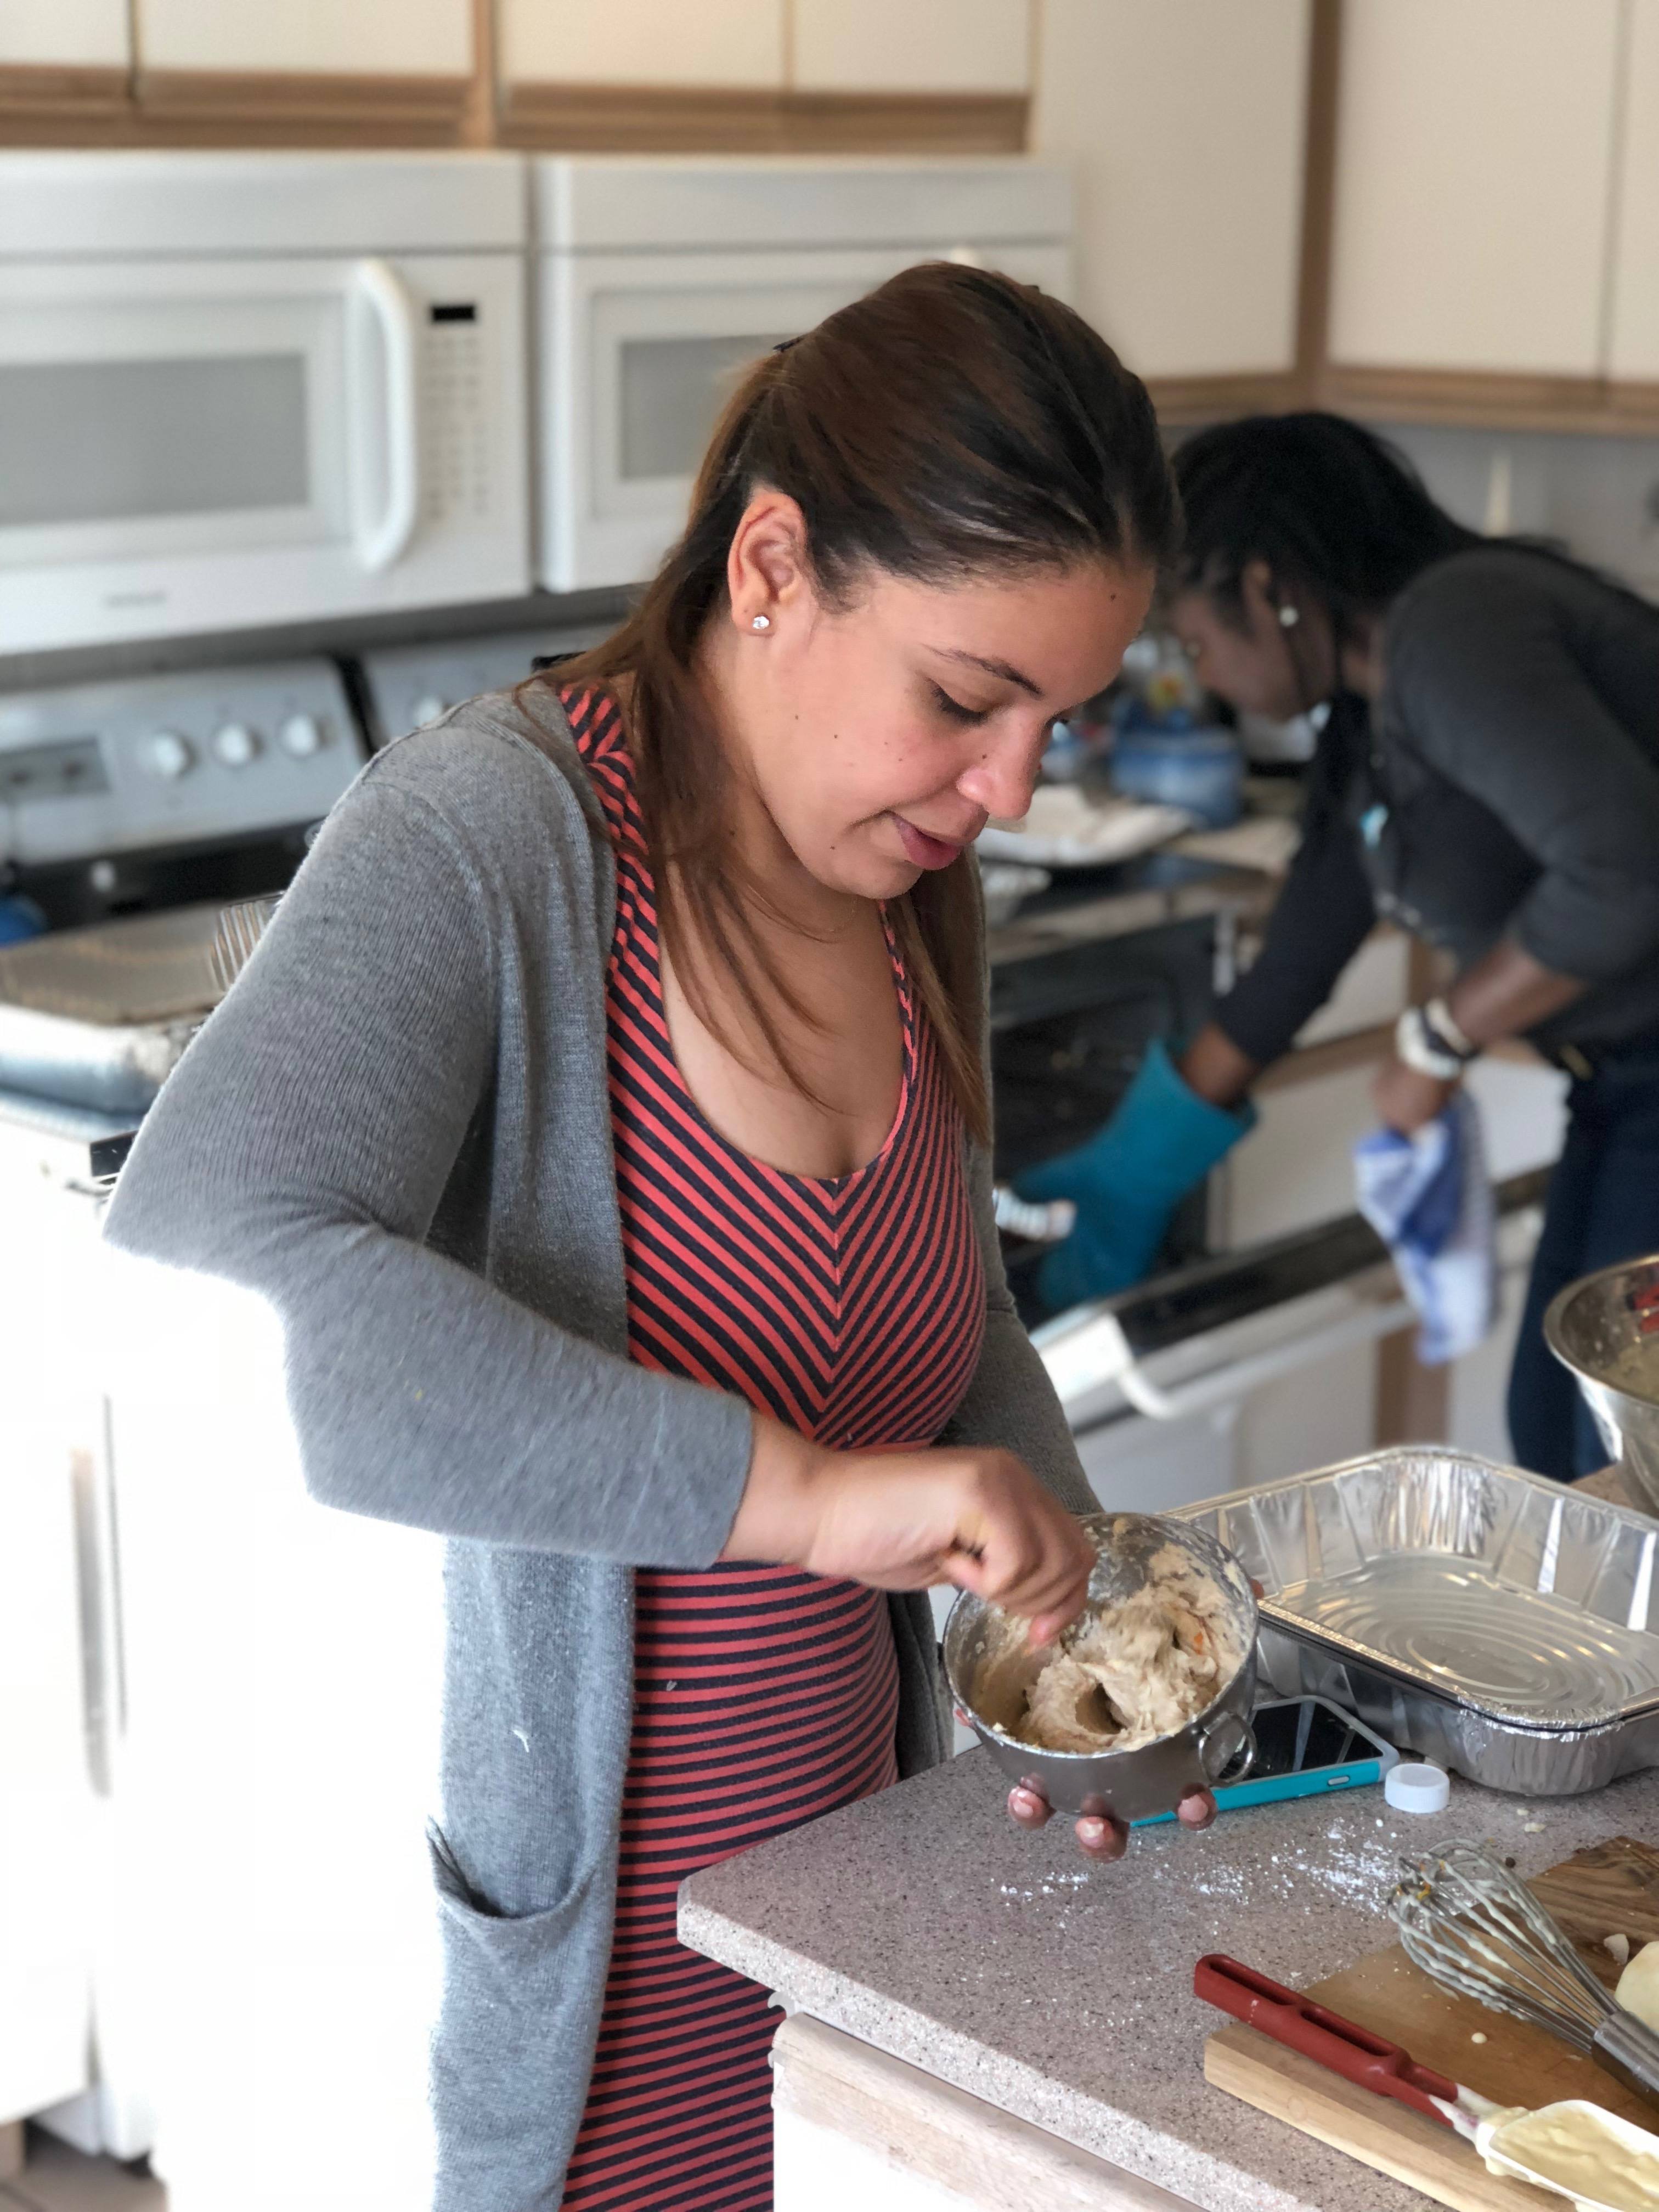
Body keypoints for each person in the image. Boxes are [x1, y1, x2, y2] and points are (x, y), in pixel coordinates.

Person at [101, 263, 1221, 2212]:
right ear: (771, 564)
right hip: (604, 1977)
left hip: (867, 1907)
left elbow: (939, 1331)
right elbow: (231, 1253)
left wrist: (1071, 1622)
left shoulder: (893, 876)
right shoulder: (495, 836)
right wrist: (796, 1497)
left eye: (1058, 716)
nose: (1014, 787)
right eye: (967, 698)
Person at [1019, 413, 1659, 1481]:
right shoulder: (1371, 705)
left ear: (1269, 587)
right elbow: (1306, 945)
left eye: (1195, 639)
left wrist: (1439, 1038)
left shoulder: (1458, 629)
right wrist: (1142, 1162)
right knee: (1561, 1430)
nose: (1207, 676)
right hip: (1621, 1087)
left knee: (1606, 1453)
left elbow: (1623, 874)